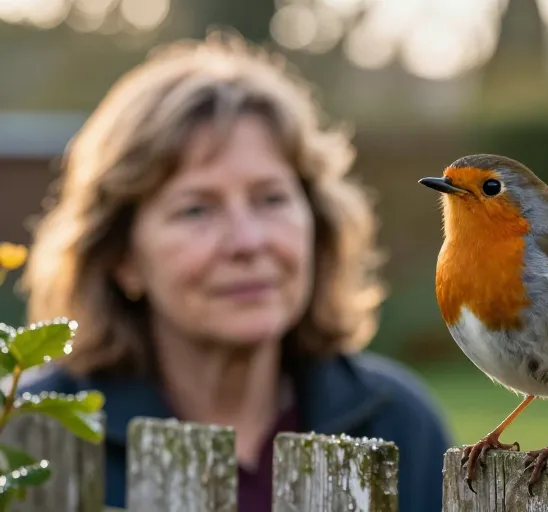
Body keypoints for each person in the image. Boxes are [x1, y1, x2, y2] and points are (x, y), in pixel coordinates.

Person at [18, 32, 452, 511]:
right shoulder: (30, 432)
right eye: (196, 210)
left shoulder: (399, 424)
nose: (248, 242)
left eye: (271, 199)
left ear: (318, 225)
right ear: (122, 257)